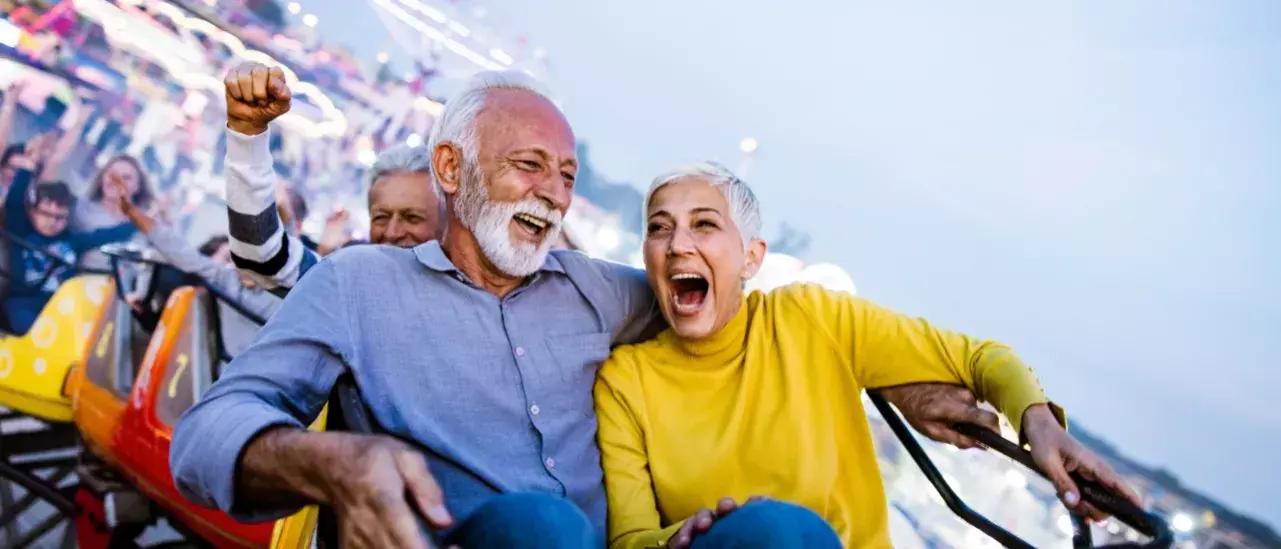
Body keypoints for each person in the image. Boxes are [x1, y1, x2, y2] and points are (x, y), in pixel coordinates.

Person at [171, 63, 1002, 549]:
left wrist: (895, 379)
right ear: (453, 170)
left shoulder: (600, 291)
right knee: (541, 528)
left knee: (786, 535)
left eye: (565, 178)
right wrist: (333, 463)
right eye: (529, 166)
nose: (553, 196)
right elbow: (208, 432)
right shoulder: (358, 285)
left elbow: (733, 309)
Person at [595, 163, 1143, 548]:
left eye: (704, 224)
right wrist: (687, 536)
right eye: (659, 228)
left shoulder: (812, 319)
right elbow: (631, 540)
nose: (677, 244)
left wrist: (1038, 424)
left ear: (751, 258)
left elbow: (981, 359)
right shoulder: (625, 382)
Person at [221, 76, 444, 291]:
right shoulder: (346, 285)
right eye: (381, 218)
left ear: (446, 225)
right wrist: (246, 133)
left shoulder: (465, 307)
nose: (392, 232)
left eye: (412, 217)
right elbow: (260, 256)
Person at [111, 175, 279, 356]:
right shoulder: (225, 278)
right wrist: (132, 212)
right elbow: (177, 249)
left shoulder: (285, 293)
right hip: (228, 374)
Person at [1, 168, 135, 332]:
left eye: (59, 217)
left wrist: (140, 222)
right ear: (33, 212)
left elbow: (107, 235)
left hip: (62, 304)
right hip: (23, 301)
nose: (52, 221)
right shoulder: (21, 232)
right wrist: (26, 169)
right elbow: (14, 204)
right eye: (45, 213)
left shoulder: (72, 242)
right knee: (33, 329)